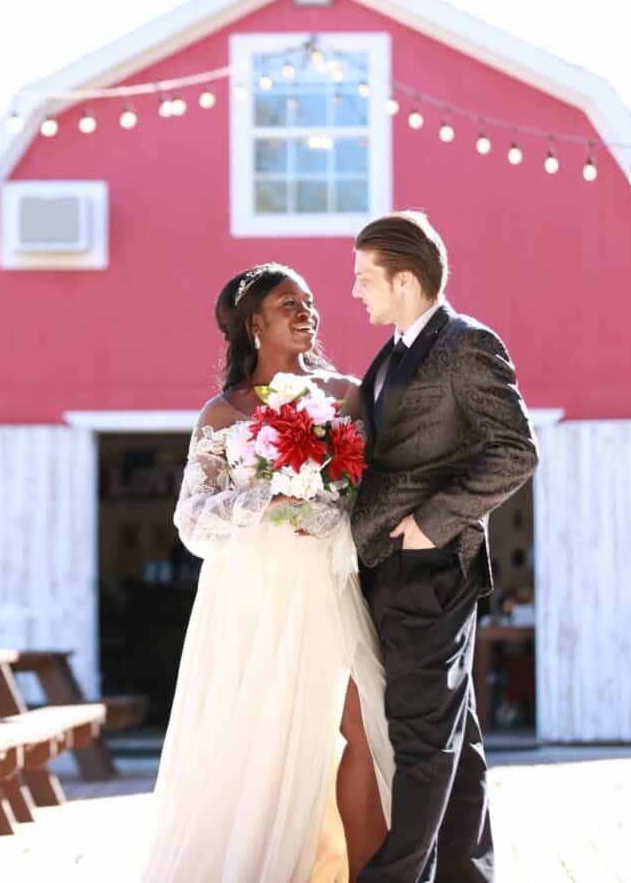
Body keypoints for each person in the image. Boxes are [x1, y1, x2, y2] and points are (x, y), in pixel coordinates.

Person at [141, 263, 393, 883]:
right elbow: (192, 521)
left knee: (363, 727)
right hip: (251, 599)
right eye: (289, 303)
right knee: (260, 745)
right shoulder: (222, 414)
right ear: (255, 323)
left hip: (327, 585)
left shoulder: (347, 395)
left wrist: (332, 506)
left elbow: (371, 489)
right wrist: (267, 499)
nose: (308, 311)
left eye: (310, 301)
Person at [350, 212, 539, 883]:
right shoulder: (393, 351)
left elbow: (514, 451)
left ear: (405, 280)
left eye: (365, 277)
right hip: (391, 567)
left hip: (430, 565)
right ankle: (467, 874)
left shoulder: (464, 343)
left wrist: (431, 523)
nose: (355, 290)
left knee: (421, 739)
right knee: (455, 739)